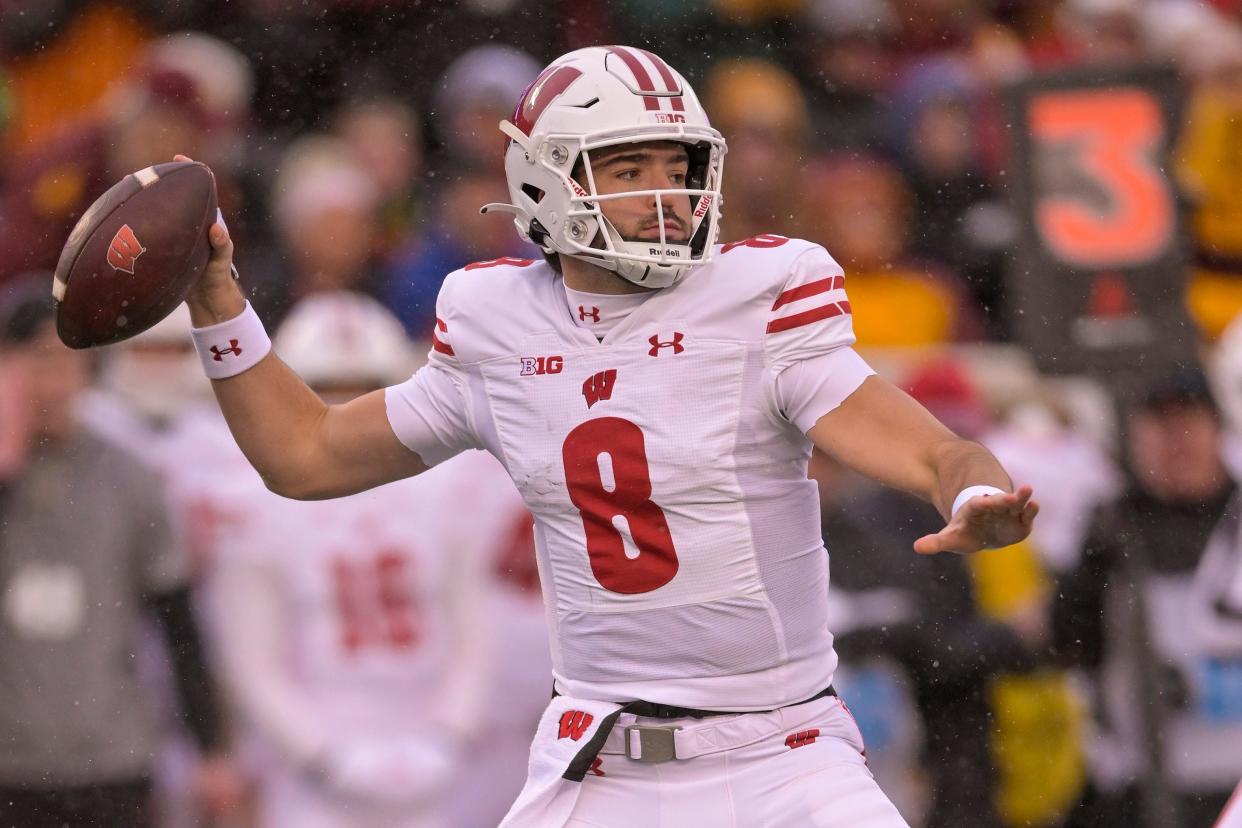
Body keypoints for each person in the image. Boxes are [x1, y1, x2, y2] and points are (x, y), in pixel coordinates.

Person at [176, 45, 1037, 827]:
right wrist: (218, 303)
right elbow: (306, 455)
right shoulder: (495, 323)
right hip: (596, 767)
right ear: (545, 181)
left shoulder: (762, 297)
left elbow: (933, 451)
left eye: (681, 164)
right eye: (630, 167)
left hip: (785, 757)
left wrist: (973, 491)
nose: (668, 194)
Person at [199, 292, 492, 828]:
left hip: (428, 745)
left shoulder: (447, 485)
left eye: (366, 387)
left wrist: (452, 734)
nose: (347, 408)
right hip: (316, 758)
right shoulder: (252, 499)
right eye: (324, 389)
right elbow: (249, 659)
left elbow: (475, 625)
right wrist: (318, 755)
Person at [0, 279, 238, 828]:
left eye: (65, 361)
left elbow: (178, 622)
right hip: (9, 760)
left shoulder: (129, 478)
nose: (50, 381)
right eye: (34, 361)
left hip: (109, 753)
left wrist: (211, 750)